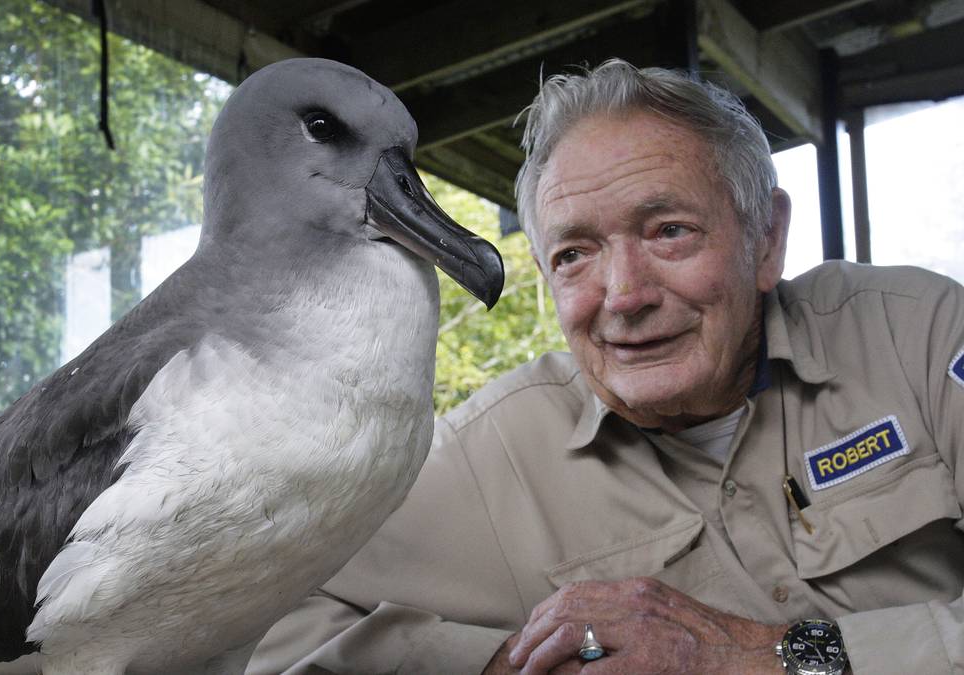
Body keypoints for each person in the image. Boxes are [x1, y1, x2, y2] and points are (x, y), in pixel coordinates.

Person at [245, 59, 964, 675]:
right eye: (575, 254)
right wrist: (498, 663)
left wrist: (762, 657)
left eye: (669, 231)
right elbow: (264, 625)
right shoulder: (490, 455)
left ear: (767, 237)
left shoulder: (917, 332)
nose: (624, 295)